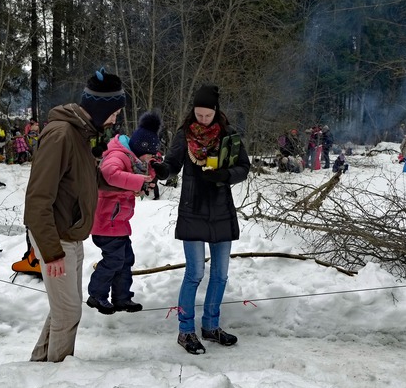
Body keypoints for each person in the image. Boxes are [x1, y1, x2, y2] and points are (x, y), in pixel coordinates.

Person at [24, 68, 125, 363]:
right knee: (68, 313)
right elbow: (37, 199)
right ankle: (57, 377)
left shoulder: (79, 134)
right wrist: (51, 251)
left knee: (63, 310)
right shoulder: (61, 135)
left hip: (70, 234)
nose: (114, 120)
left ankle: (40, 365)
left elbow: (88, 177)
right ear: (101, 108)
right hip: (56, 237)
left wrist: (131, 183)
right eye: (114, 113)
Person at [151, 84, 250, 355]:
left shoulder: (229, 135)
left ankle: (211, 326)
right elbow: (172, 164)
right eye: (198, 113)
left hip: (220, 210)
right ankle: (186, 331)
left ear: (216, 112)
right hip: (193, 208)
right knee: (194, 273)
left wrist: (224, 176)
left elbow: (244, 167)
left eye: (207, 115)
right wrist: (162, 170)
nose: (202, 119)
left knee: (220, 275)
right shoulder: (185, 135)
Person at [86, 111, 162, 315]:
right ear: (140, 148)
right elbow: (109, 175)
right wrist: (138, 182)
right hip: (105, 221)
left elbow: (142, 174)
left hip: (118, 222)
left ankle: (121, 298)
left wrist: (152, 172)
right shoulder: (118, 156)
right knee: (114, 260)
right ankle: (97, 295)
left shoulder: (135, 160)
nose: (149, 159)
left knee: (126, 260)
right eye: (149, 154)